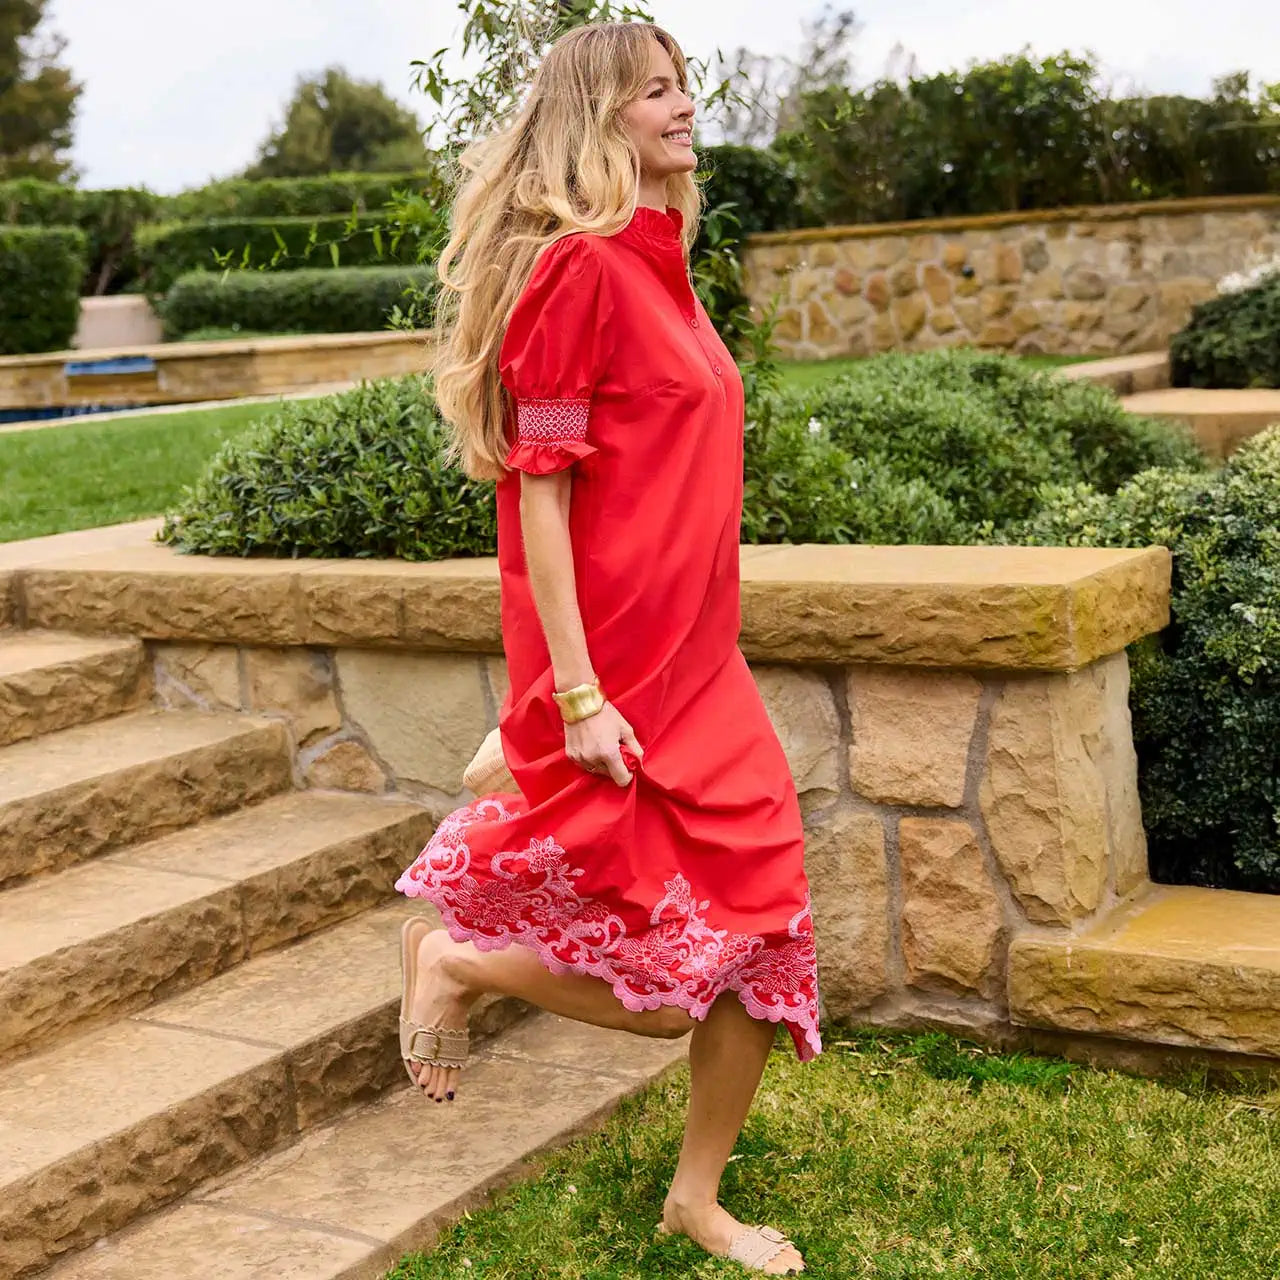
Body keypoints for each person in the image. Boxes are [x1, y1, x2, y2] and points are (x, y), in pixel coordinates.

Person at [395, 20, 819, 1276]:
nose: (683, 106)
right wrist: (572, 691)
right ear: (599, 118)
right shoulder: (577, 273)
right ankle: (462, 960)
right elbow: (538, 489)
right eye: (653, 91)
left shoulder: (665, 256)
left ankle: (697, 1195)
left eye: (682, 84)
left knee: (766, 936)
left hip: (701, 660)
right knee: (668, 984)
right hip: (623, 671)